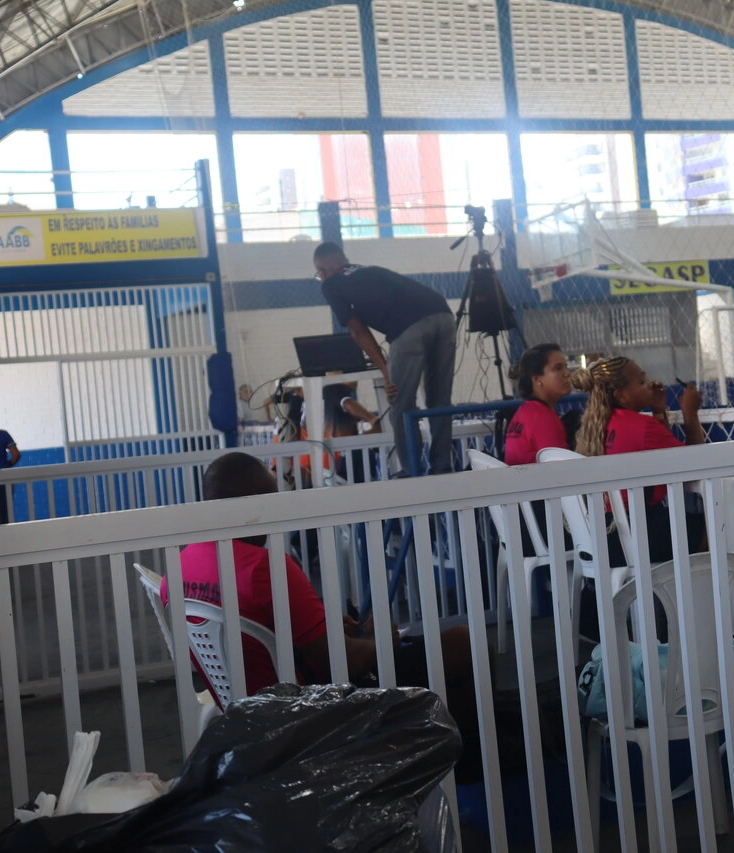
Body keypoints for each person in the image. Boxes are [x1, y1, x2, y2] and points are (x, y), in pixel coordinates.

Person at [160, 452, 484, 771]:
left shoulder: (176, 570)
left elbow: (262, 635)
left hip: (246, 709)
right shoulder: (264, 568)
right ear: (251, 505)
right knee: (464, 643)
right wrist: (381, 639)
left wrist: (320, 628)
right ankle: (471, 771)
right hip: (310, 708)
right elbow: (344, 661)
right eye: (270, 500)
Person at [313, 242, 456, 476]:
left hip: (408, 328)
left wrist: (387, 373)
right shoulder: (371, 270)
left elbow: (358, 331)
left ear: (325, 269)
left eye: (320, 273)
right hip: (444, 316)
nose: (321, 277)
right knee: (440, 399)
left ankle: (412, 470)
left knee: (400, 401)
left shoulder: (331, 284)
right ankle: (442, 467)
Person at [571, 357, 705, 564]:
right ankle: (710, 584)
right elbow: (697, 464)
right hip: (638, 535)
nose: (650, 384)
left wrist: (658, 410)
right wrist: (690, 413)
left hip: (602, 536)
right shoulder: (642, 426)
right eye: (642, 381)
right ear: (622, 396)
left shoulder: (597, 425)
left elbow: (663, 452)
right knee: (717, 524)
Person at [504, 343, 574, 466]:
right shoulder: (543, 417)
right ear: (537, 379)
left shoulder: (525, 411)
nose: (567, 373)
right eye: (558, 368)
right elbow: (561, 470)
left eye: (566, 367)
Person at [0, 411, 21, 526]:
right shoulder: (3, 434)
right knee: (4, 512)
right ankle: (6, 533)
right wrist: (7, 465)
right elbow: (16, 454)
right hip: (3, 476)